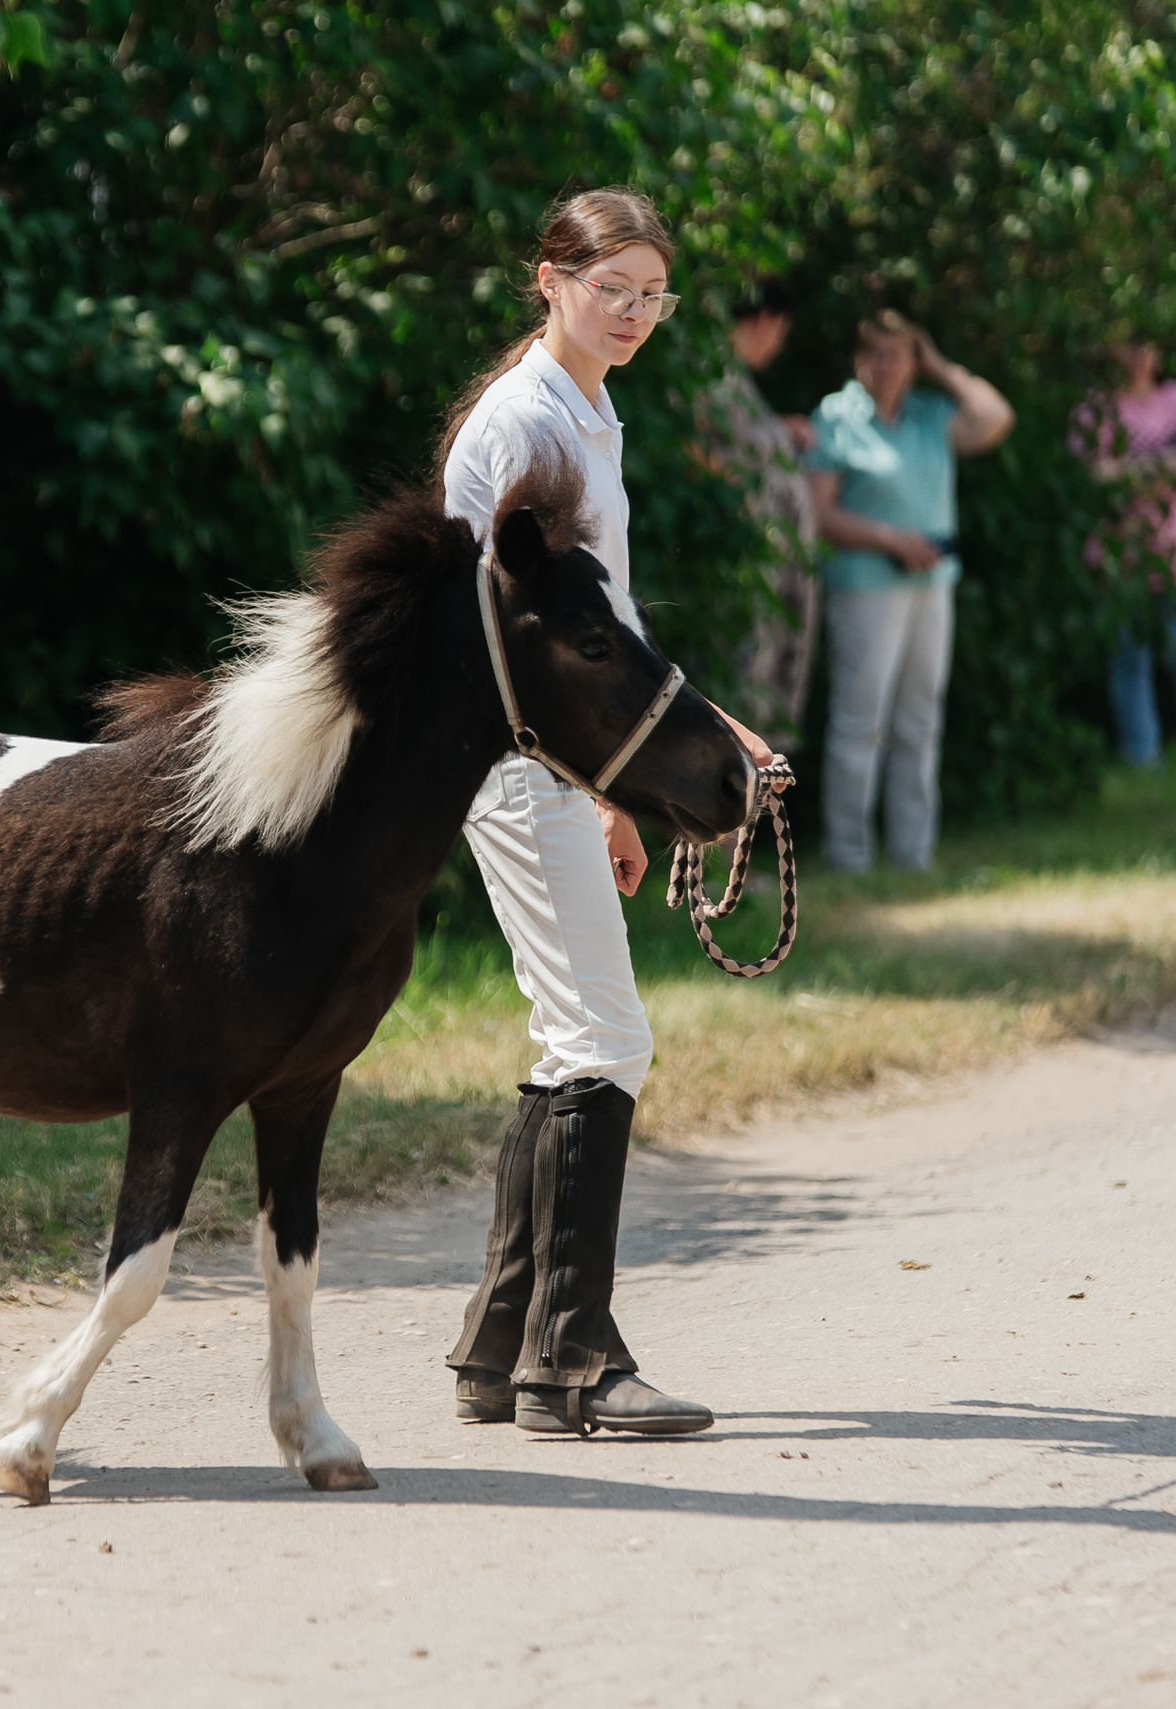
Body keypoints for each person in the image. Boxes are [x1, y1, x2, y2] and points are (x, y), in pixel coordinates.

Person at [438, 188, 774, 1438]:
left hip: (566, 760)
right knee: (605, 1039)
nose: (634, 313)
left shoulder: (584, 406)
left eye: (653, 295)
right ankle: (571, 1363)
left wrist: (633, 785)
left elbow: (607, 623)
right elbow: (541, 639)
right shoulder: (529, 422)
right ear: (549, 278)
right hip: (524, 761)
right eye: (612, 288)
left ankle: (494, 1348)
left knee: (565, 1033)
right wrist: (651, 757)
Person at [803, 312, 1014, 873]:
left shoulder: (931, 414)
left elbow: (996, 417)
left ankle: (913, 853)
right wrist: (889, 539)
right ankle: (850, 856)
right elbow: (818, 514)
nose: (887, 365)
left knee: (920, 720)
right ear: (858, 359)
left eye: (899, 354)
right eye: (876, 353)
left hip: (932, 587)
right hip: (865, 587)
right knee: (860, 722)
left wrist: (942, 365)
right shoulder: (835, 416)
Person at [1076, 340, 1176, 768]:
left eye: (1146, 345)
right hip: (1117, 556)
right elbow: (1093, 477)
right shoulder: (1094, 409)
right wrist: (1172, 464)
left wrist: (1129, 469)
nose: (1137, 355)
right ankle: (1141, 757)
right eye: (1126, 345)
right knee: (1128, 660)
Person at [699, 279, 823, 742]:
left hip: (766, 575)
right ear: (767, 320)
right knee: (738, 693)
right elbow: (694, 448)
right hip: (743, 574)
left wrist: (776, 428)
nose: (778, 345)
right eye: (781, 332)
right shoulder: (711, 373)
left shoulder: (733, 380)